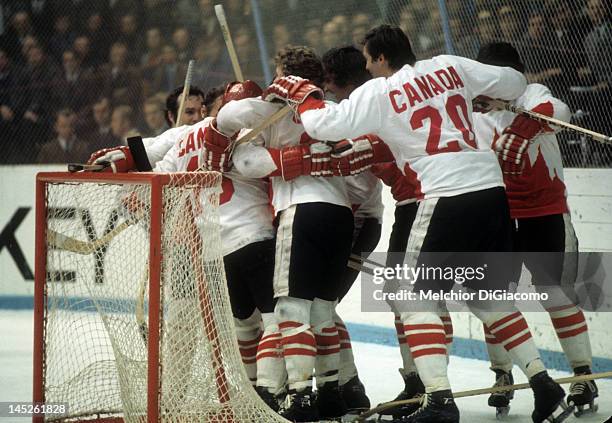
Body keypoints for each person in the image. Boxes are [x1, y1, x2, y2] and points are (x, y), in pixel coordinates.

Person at [263, 24, 564, 423]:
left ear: (382, 58)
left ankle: (438, 401)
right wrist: (490, 99)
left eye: (370, 60)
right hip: (490, 191)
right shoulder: (449, 65)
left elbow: (323, 127)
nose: (367, 68)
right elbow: (514, 80)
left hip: (445, 193)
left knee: (411, 298)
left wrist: (303, 94)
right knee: (488, 296)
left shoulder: (380, 91)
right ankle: (545, 384)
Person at [215, 46, 354, 422]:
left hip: (301, 211)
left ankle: (298, 395)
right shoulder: (324, 108)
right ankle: (330, 393)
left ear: (282, 71)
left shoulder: (273, 107)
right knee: (323, 311)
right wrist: (311, 159)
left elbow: (245, 160)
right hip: (340, 214)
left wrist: (284, 156)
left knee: (291, 311)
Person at [473, 41, 598, 418]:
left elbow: (557, 110)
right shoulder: (474, 108)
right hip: (496, 212)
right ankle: (502, 375)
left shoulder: (532, 93)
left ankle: (582, 374)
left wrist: (521, 129)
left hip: (544, 211)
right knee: (496, 297)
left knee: (555, 294)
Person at [153, 80, 285, 410]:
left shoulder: (181, 139)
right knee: (278, 320)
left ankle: (250, 394)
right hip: (253, 237)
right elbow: (261, 165)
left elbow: (155, 171)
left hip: (215, 249)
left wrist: (120, 158)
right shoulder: (245, 137)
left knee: (244, 324)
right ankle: (269, 394)